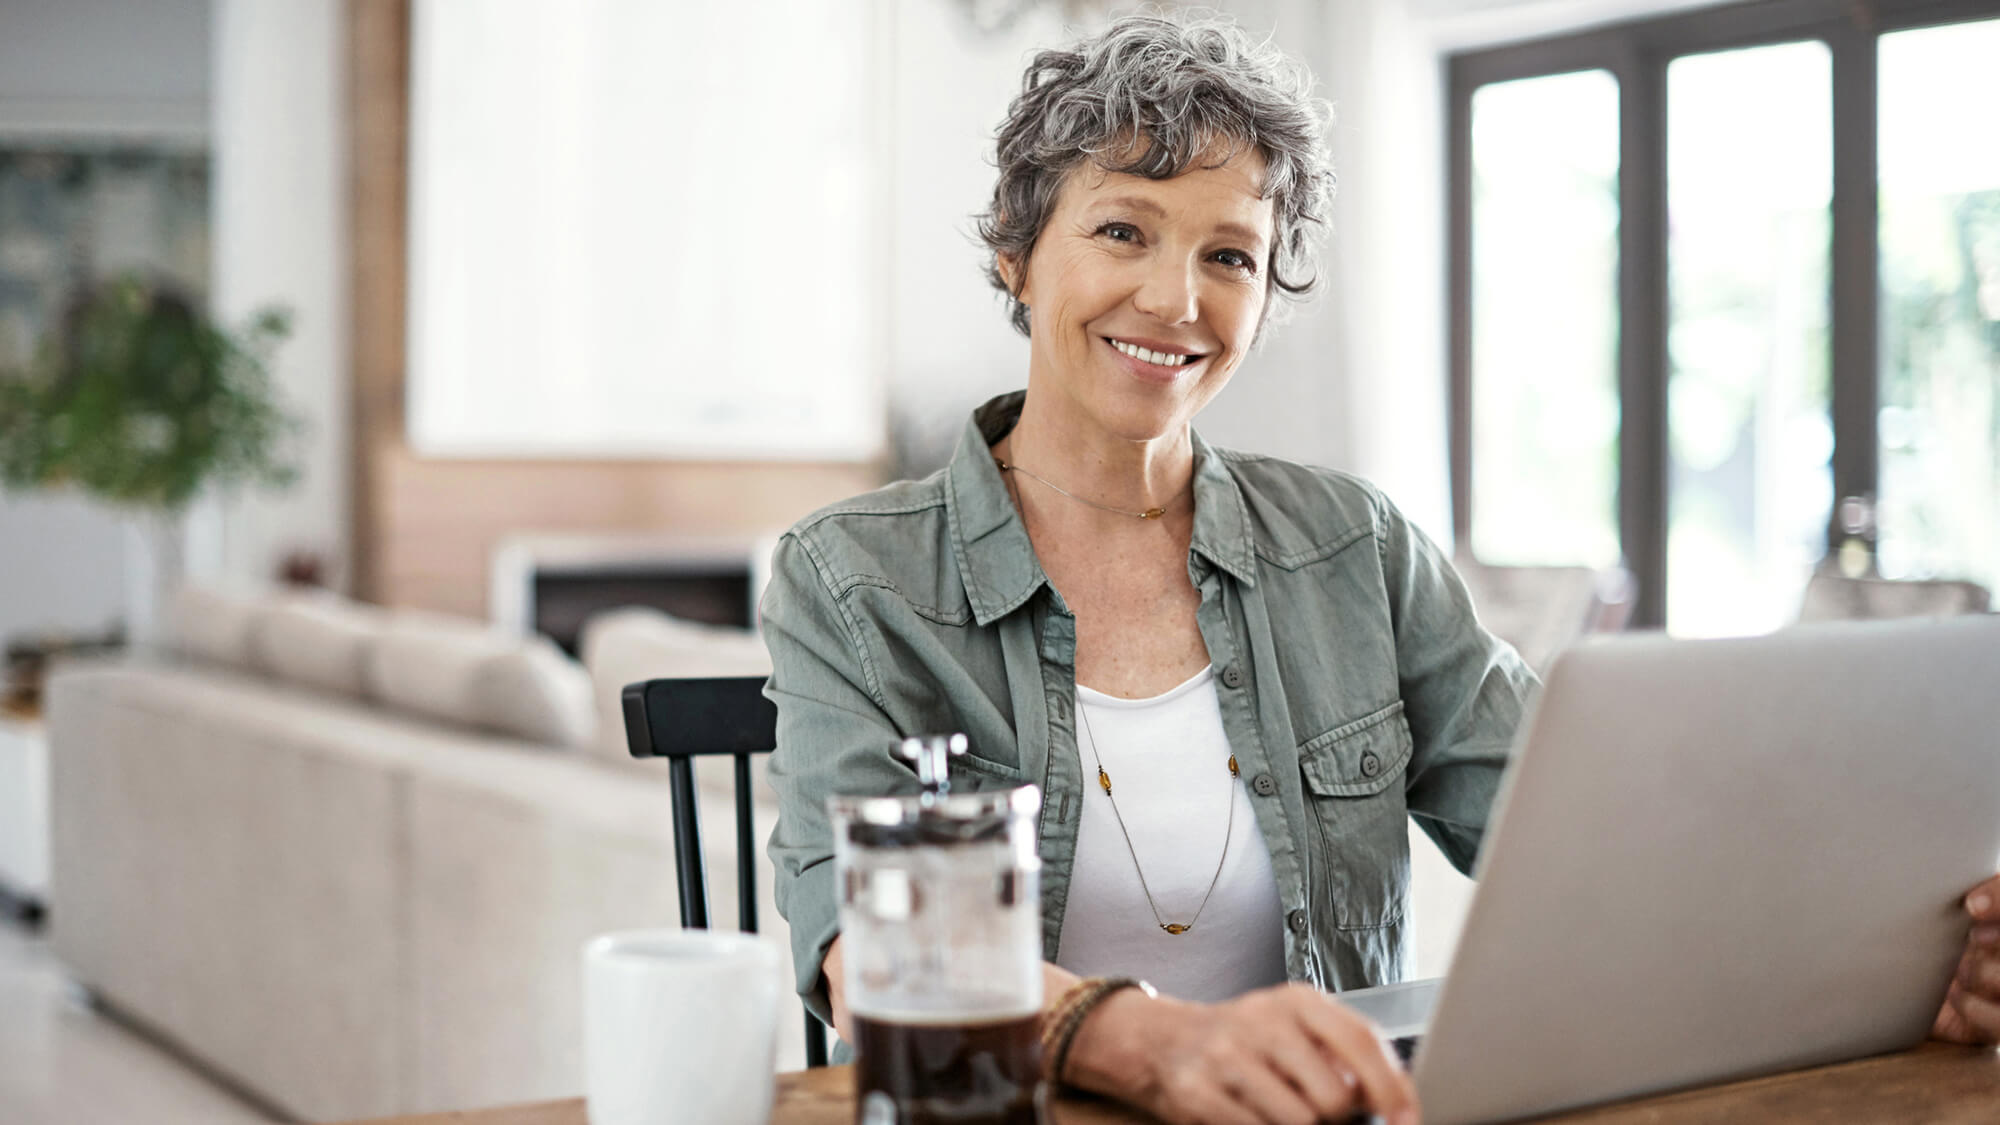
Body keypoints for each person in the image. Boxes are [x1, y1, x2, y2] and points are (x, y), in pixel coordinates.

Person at [759, 13, 2000, 1125]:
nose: (1175, 299)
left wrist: (1881, 966)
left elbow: (1590, 849)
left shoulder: (1355, 546)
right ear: (1015, 255)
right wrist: (1155, 1048)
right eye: (1121, 229)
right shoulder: (850, 578)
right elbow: (865, 957)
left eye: (1229, 255)